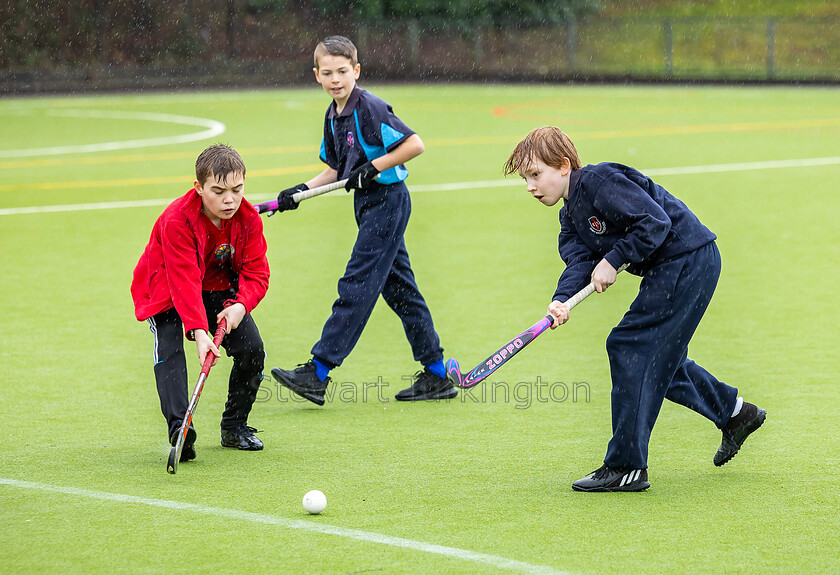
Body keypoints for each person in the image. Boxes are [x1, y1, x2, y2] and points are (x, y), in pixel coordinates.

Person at [504, 126, 766, 492]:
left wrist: (614, 258)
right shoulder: (570, 219)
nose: (530, 185)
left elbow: (654, 222)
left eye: (536, 174)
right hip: (674, 267)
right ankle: (736, 413)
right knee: (657, 359)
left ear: (563, 166)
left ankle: (626, 465)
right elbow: (578, 264)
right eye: (525, 179)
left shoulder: (598, 180)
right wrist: (561, 300)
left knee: (629, 347)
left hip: (688, 258)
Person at [269, 35, 456, 405]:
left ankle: (318, 370)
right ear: (316, 76)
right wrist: (298, 191)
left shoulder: (368, 106)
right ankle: (437, 374)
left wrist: (374, 167)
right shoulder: (332, 114)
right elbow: (337, 169)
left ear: (356, 70)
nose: (335, 79)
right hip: (367, 204)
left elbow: (414, 144)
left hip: (388, 202)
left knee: (357, 282)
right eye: (327, 73)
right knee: (401, 291)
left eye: (342, 71)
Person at [131, 144, 269, 463]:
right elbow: (184, 278)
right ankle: (181, 428)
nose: (229, 199)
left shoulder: (248, 219)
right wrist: (198, 331)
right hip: (166, 284)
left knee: (252, 348)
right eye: (218, 191)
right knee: (170, 349)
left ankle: (235, 426)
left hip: (218, 286)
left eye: (237, 189)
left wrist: (241, 306)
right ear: (199, 188)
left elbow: (257, 271)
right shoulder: (177, 220)